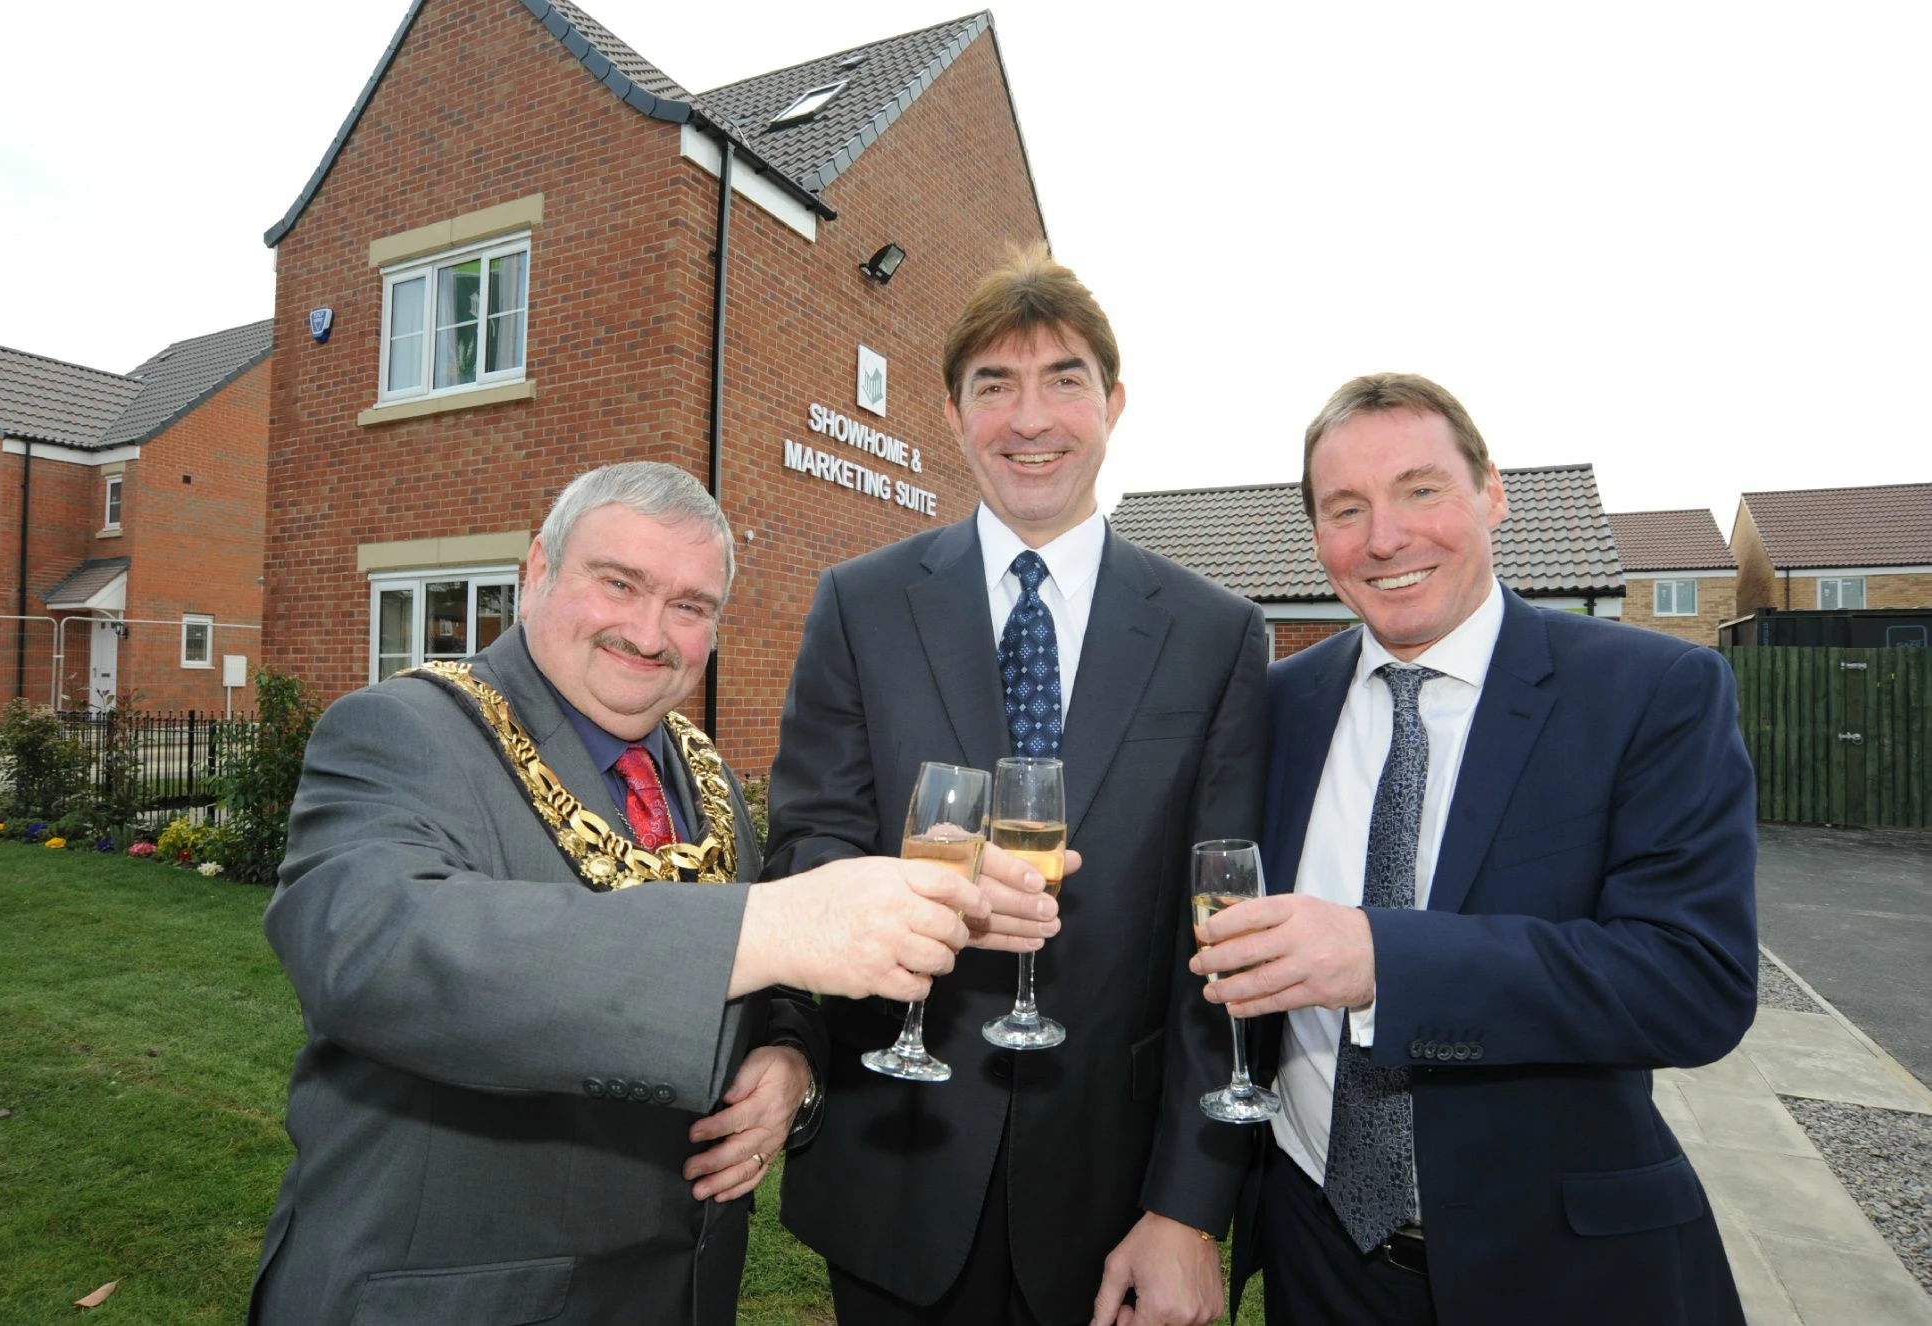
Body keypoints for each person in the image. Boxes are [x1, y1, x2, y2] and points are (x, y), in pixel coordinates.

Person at [249, 462, 992, 1326]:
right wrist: (771, 924)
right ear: (537, 572)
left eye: (690, 606)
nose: (650, 633)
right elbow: (372, 950)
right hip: (459, 1296)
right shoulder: (401, 729)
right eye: (618, 584)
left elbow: (769, 982)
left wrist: (790, 1060)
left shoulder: (695, 767)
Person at [767, 245, 1272, 1326]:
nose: (1029, 418)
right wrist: (916, 896)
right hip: (897, 1163)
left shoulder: (1217, 636)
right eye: (994, 385)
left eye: (1064, 381)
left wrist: (1189, 1208)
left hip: (1113, 1190)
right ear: (953, 414)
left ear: (1114, 402)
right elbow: (805, 844)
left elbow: (1224, 936)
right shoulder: (859, 606)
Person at [1194, 373, 1756, 1325]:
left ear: (1493, 494)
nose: (1385, 537)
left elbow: (1694, 982)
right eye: (1346, 509)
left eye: (1421, 490)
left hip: (1557, 1270)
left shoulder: (1652, 691)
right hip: (1315, 1254)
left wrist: (1384, 959)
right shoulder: (1277, 705)